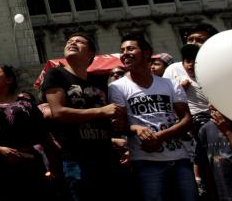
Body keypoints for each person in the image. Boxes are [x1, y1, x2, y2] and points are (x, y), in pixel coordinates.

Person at [108, 33, 197, 201]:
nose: (125, 53)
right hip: (144, 161)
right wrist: (135, 128)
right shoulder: (117, 88)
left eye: (130, 48)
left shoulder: (169, 84)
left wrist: (160, 136)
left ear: (147, 53)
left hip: (179, 158)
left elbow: (186, 119)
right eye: (122, 50)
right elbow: (118, 126)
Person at [41, 32, 124, 201]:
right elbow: (58, 112)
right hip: (77, 157)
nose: (72, 43)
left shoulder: (99, 81)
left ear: (91, 53)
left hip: (107, 154)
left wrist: (117, 122)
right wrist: (101, 111)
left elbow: (110, 115)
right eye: (69, 41)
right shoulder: (56, 74)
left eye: (79, 42)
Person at [0, 64, 53, 201]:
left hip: (32, 165)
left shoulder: (26, 104)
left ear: (9, 80)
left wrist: (52, 165)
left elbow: (44, 135)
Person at [175, 44, 210, 132]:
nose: (191, 64)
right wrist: (182, 88)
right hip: (195, 117)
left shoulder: (208, 78)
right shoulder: (180, 80)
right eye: (188, 61)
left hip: (212, 115)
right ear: (183, 64)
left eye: (194, 62)